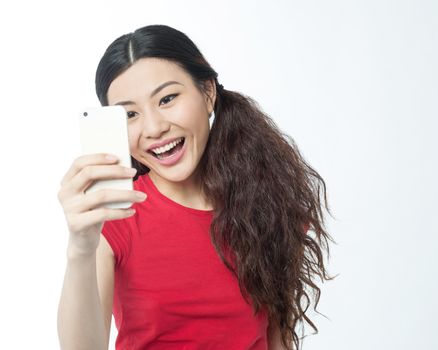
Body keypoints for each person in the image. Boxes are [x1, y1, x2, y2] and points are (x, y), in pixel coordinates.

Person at [57, 24, 335, 350]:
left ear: (207, 93)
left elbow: (278, 341)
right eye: (130, 114)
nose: (154, 127)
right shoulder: (114, 218)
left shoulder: (265, 202)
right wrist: (80, 247)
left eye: (168, 98)